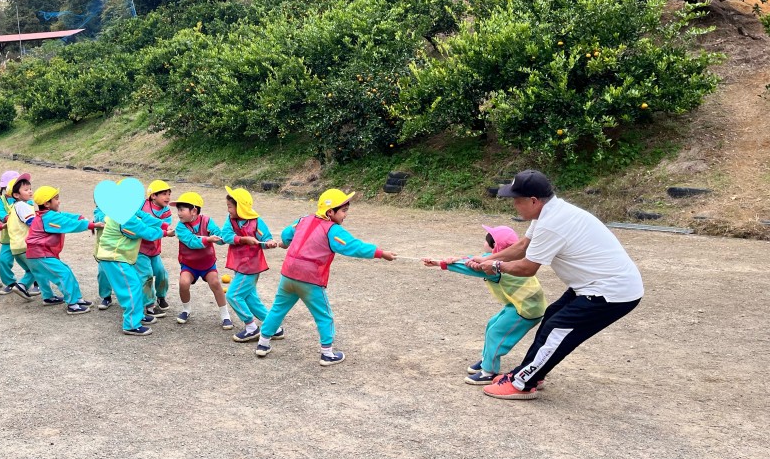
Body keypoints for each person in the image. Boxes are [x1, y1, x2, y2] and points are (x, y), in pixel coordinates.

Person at [467, 170, 644, 400]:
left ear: (533, 201)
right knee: (552, 315)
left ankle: (522, 383)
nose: (514, 205)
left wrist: (496, 266)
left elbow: (527, 268)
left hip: (611, 291)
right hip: (593, 285)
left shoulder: (552, 223)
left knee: (557, 329)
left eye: (517, 200)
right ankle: (532, 373)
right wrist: (488, 258)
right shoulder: (548, 213)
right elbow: (522, 246)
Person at [255, 189, 396, 366]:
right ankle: (327, 354)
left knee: (277, 309)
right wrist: (380, 253)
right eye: (343, 211)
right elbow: (353, 246)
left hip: (288, 274)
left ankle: (263, 343)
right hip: (310, 279)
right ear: (330, 212)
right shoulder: (332, 229)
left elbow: (286, 234)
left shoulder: (303, 220)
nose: (345, 215)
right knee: (324, 316)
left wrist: (286, 243)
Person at [423, 225, 546, 384]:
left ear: (494, 246)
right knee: (492, 324)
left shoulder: (494, 266)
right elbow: (476, 258)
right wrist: (455, 258)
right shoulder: (508, 258)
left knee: (496, 332)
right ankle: (486, 360)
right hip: (520, 304)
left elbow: (470, 267)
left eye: (486, 240)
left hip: (526, 309)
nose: (484, 243)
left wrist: (442, 264)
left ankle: (489, 371)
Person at [95, 190, 166, 336]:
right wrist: (164, 232)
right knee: (132, 288)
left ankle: (138, 315)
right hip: (114, 258)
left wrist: (163, 225)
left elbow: (144, 217)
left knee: (136, 284)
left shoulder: (126, 212)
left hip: (118, 257)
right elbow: (145, 232)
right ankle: (131, 325)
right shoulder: (124, 217)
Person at [220, 186, 283, 343]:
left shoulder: (256, 221)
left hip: (251, 267)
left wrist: (268, 243)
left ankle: (251, 327)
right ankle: (274, 328)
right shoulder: (231, 220)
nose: (228, 210)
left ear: (240, 207)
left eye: (230, 206)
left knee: (233, 295)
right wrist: (242, 239)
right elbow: (226, 235)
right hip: (239, 265)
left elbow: (265, 238)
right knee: (250, 298)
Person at [25, 185, 100, 314]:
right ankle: (72, 304)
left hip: (39, 254)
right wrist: (90, 225)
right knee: (63, 274)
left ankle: (74, 299)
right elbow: (68, 224)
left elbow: (65, 217)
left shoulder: (48, 215)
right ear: (47, 203)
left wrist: (79, 217)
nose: (59, 201)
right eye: (56, 199)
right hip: (39, 254)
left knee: (65, 271)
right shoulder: (49, 217)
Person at [173, 192, 233, 329]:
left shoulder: (207, 221)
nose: (179, 213)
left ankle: (225, 316)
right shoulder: (180, 227)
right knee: (183, 283)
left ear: (194, 211)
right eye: (178, 210)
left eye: (182, 209)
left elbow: (219, 237)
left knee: (215, 283)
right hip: (189, 264)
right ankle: (186, 310)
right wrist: (208, 239)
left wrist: (223, 238)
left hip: (207, 264)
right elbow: (192, 242)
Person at [2, 174, 44, 301]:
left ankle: (25, 287)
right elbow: (31, 222)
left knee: (31, 270)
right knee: (38, 268)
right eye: (26, 190)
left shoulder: (15, 207)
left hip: (16, 247)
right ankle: (22, 286)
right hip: (26, 246)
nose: (30, 191)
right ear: (16, 195)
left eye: (30, 189)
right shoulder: (22, 206)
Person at [140, 180, 176, 317]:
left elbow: (164, 226)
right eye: (164, 194)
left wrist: (165, 230)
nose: (168, 197)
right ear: (153, 196)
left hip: (154, 249)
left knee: (161, 272)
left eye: (169, 194)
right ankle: (149, 305)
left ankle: (161, 297)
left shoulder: (166, 211)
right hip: (139, 249)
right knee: (147, 275)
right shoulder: (142, 205)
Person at [0, 170, 24, 294]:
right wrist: (7, 217)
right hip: (8, 237)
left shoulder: (24, 199)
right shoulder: (1, 200)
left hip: (22, 236)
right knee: (3, 260)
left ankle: (36, 282)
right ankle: (10, 283)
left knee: (30, 261)